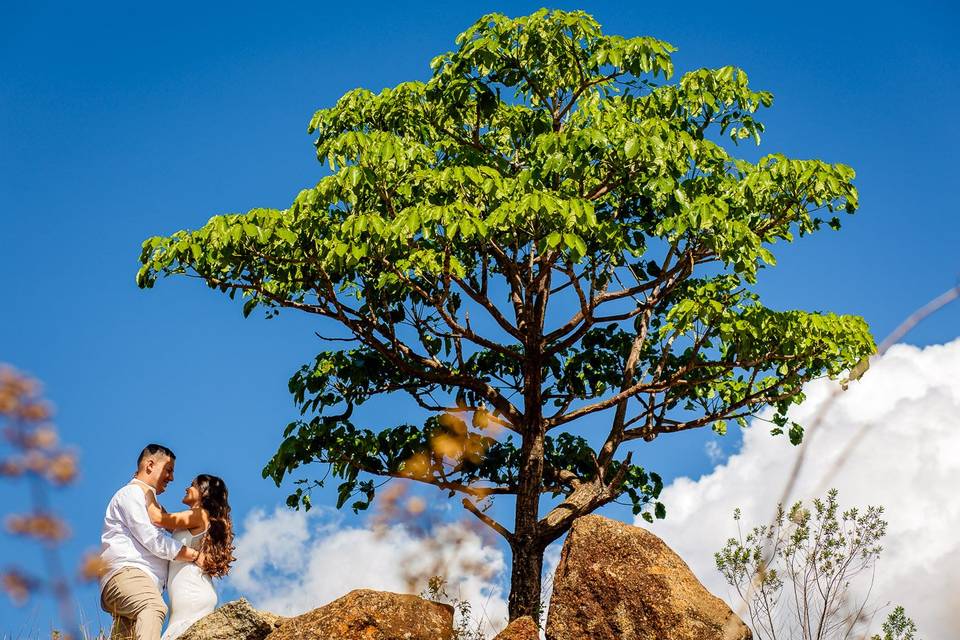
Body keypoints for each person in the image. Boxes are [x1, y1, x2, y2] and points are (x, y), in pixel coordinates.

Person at [99, 444, 203, 640]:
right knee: (153, 607)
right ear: (150, 465)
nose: (171, 477)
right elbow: (152, 539)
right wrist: (195, 556)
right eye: (169, 470)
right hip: (129, 574)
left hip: (141, 582)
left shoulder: (153, 504)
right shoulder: (132, 494)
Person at [146, 474, 235, 640]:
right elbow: (165, 517)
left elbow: (158, 518)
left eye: (192, 485)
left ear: (204, 493)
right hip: (192, 593)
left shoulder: (198, 514)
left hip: (192, 593)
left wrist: (146, 487)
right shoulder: (196, 519)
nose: (187, 488)